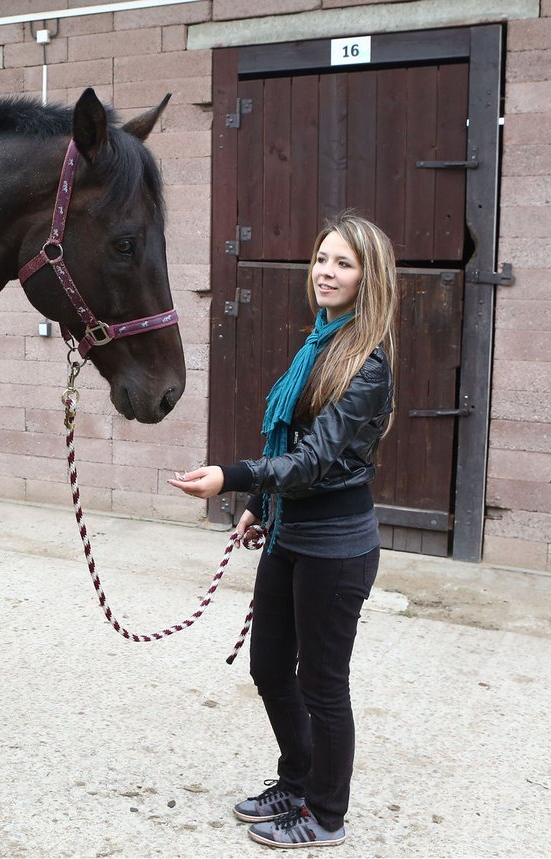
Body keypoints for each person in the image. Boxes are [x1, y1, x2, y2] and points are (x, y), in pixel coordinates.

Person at [168, 212, 398, 849]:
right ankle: (295, 782)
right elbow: (294, 445)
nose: (326, 272)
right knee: (270, 667)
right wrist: (261, 509)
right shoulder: (320, 343)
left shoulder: (365, 364)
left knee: (322, 684)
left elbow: (313, 461)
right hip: (290, 533)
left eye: (343, 263)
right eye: (322, 259)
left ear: (368, 276)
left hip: (337, 548)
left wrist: (232, 476)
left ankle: (325, 815)